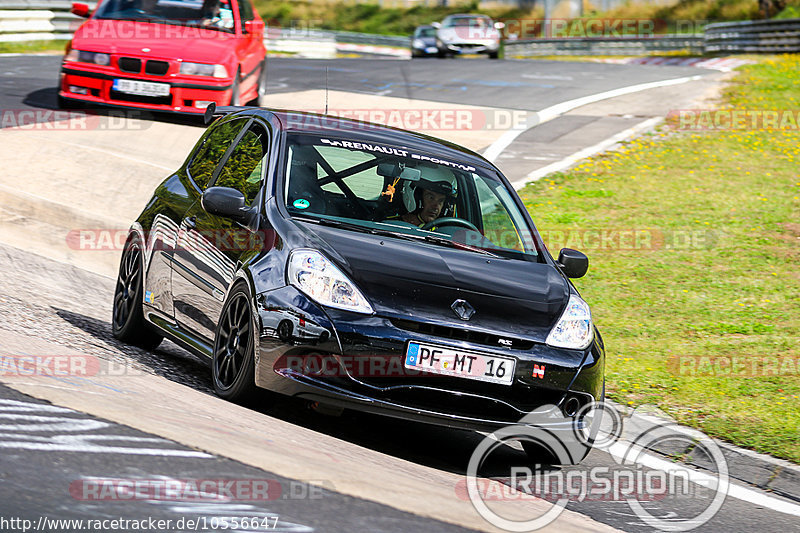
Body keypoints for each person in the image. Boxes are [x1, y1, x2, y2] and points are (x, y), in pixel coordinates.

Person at [388, 164, 457, 227]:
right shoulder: (390, 226)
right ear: (415, 196)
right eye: (431, 198)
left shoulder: (444, 235)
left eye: (441, 201)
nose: (436, 207)